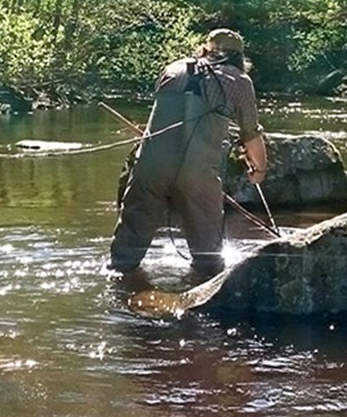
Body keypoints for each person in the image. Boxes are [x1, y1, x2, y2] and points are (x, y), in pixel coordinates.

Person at [109, 28, 267, 281]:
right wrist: (259, 170)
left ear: (205, 47)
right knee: (208, 262)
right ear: (239, 57)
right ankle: (202, 304)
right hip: (198, 173)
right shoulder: (239, 80)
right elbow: (250, 134)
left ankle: (120, 298)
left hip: (150, 166)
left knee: (123, 259)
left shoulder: (173, 69)